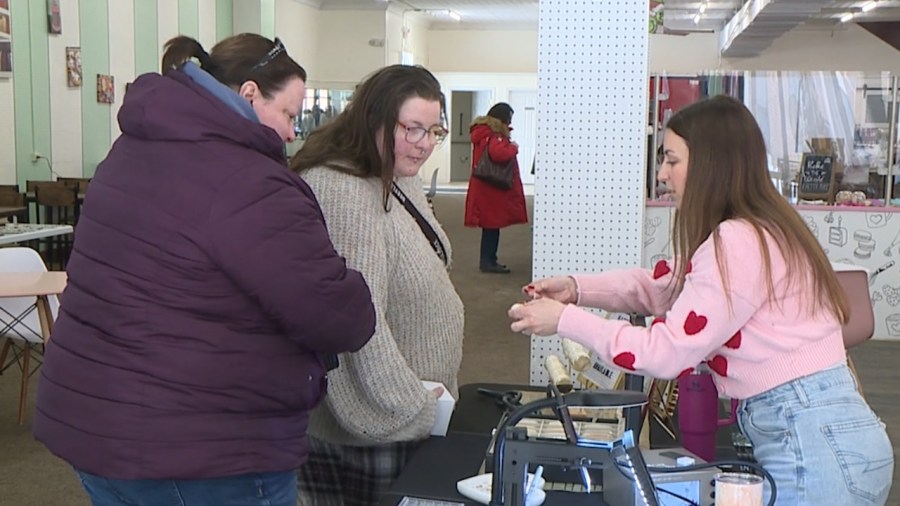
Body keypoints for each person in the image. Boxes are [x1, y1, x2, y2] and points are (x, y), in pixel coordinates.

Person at [32, 34, 377, 506]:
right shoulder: (248, 180)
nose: (294, 133)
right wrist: (355, 282)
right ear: (250, 93)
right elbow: (336, 316)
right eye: (290, 115)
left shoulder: (132, 149)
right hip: (203, 448)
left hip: (97, 421)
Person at [509, 95, 894, 505]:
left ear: (710, 163)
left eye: (672, 161)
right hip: (827, 437)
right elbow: (663, 286)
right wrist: (576, 288)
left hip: (813, 447)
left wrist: (566, 319)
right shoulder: (760, 230)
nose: (662, 174)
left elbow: (668, 351)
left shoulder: (738, 242)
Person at [289, 64, 465, 506]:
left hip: (404, 416)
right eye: (413, 129)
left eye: (434, 131)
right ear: (375, 120)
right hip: (375, 428)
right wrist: (409, 407)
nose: (424, 145)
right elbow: (355, 322)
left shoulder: (391, 171)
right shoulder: (343, 189)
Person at [465, 102, 528, 274]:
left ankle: (488, 260)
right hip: (491, 189)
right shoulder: (494, 135)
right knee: (492, 226)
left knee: (490, 226)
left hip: (485, 187)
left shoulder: (482, 133)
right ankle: (488, 261)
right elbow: (499, 154)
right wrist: (513, 148)